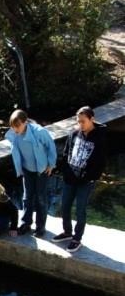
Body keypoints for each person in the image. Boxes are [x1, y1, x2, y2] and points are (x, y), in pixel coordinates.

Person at [53, 106, 106, 253]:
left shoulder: (100, 138)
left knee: (80, 210)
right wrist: (61, 170)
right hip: (70, 178)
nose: (80, 125)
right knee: (65, 206)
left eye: (83, 121)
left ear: (92, 119)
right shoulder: (74, 134)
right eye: (78, 121)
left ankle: (77, 239)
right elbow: (66, 154)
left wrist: (89, 178)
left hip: (86, 182)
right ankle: (67, 232)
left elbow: (100, 163)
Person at [5, 109, 57, 237]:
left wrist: (51, 164)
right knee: (27, 197)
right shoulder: (14, 135)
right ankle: (26, 223)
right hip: (27, 170)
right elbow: (16, 151)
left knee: (40, 198)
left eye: (17, 126)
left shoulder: (39, 132)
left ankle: (40, 227)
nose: (15, 129)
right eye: (13, 127)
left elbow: (51, 146)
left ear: (25, 122)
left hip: (41, 170)